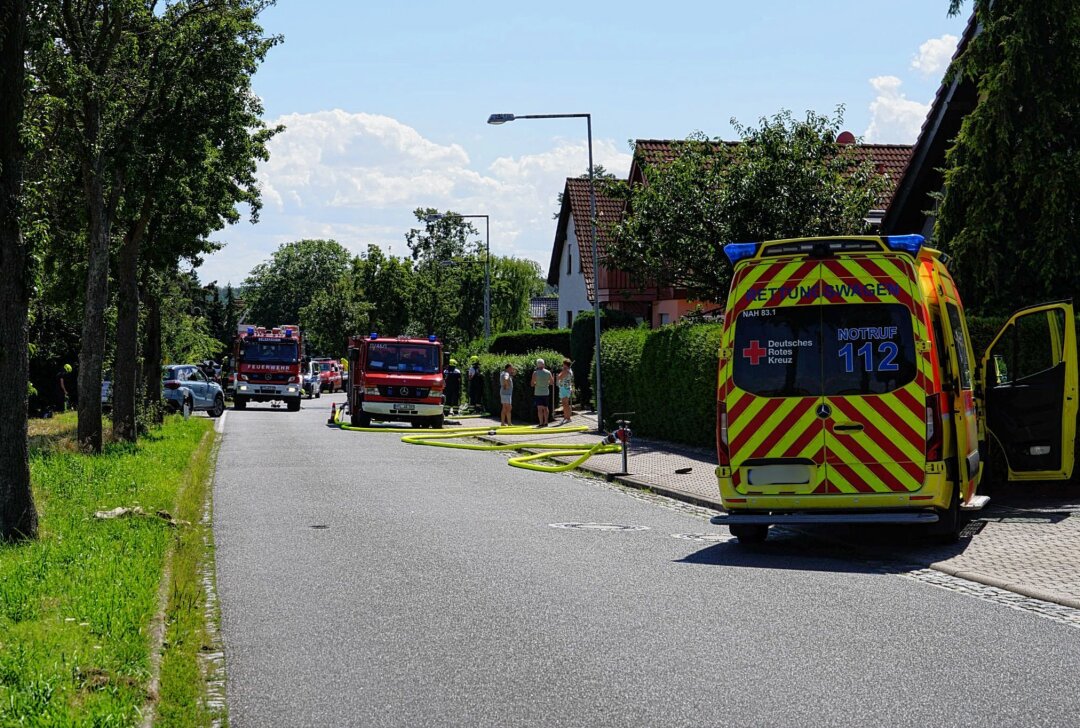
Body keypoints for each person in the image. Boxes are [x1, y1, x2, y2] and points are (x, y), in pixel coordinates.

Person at [530, 358, 552, 427]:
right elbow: (552, 382)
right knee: (546, 408)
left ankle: (541, 423)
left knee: (539, 409)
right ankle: (546, 422)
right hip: (546, 392)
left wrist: (536, 383)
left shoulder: (535, 373)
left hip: (538, 393)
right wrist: (546, 383)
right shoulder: (548, 372)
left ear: (537, 365)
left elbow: (532, 384)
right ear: (543, 364)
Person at [556, 359, 574, 426]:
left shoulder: (566, 371)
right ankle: (566, 417)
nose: (562, 365)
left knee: (565, 404)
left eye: (563, 364)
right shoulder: (568, 370)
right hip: (565, 388)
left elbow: (559, 378)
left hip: (565, 389)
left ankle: (568, 418)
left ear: (565, 364)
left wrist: (562, 371)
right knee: (565, 404)